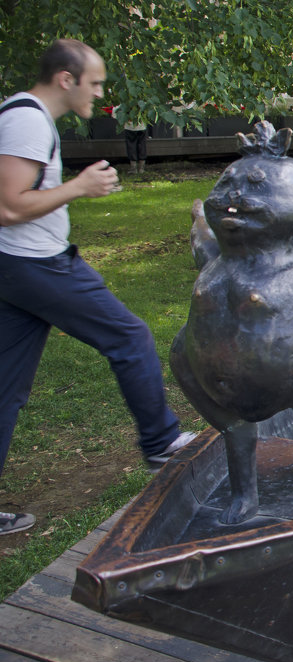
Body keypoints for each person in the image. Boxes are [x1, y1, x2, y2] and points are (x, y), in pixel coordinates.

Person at [0, 39, 194, 536]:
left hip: (17, 268)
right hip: (37, 266)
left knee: (5, 392)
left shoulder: (27, 118)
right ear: (66, 78)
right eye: (96, 82)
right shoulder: (26, 119)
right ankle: (161, 443)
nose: (101, 92)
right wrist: (79, 188)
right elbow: (8, 207)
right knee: (129, 337)